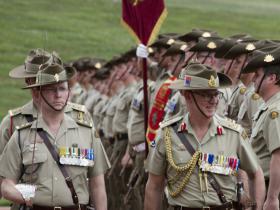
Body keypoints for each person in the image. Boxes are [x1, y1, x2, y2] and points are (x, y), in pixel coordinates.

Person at [144, 62, 265, 210]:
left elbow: (255, 173)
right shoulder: (167, 134)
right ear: (188, 95)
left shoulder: (234, 133)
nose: (214, 100)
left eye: (216, 94)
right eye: (207, 95)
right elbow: (154, 186)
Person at [0, 63, 110, 210]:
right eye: (51, 89)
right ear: (37, 94)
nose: (58, 94)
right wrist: (30, 197)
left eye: (62, 89)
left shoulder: (87, 133)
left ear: (69, 93)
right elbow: (7, 185)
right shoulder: (21, 136)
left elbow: (97, 185)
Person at [242, 48, 280, 210]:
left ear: (271, 78)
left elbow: (278, 157)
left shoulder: (275, 112)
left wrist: (272, 198)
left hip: (268, 187)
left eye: (257, 76)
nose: (253, 80)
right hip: (259, 185)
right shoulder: (267, 107)